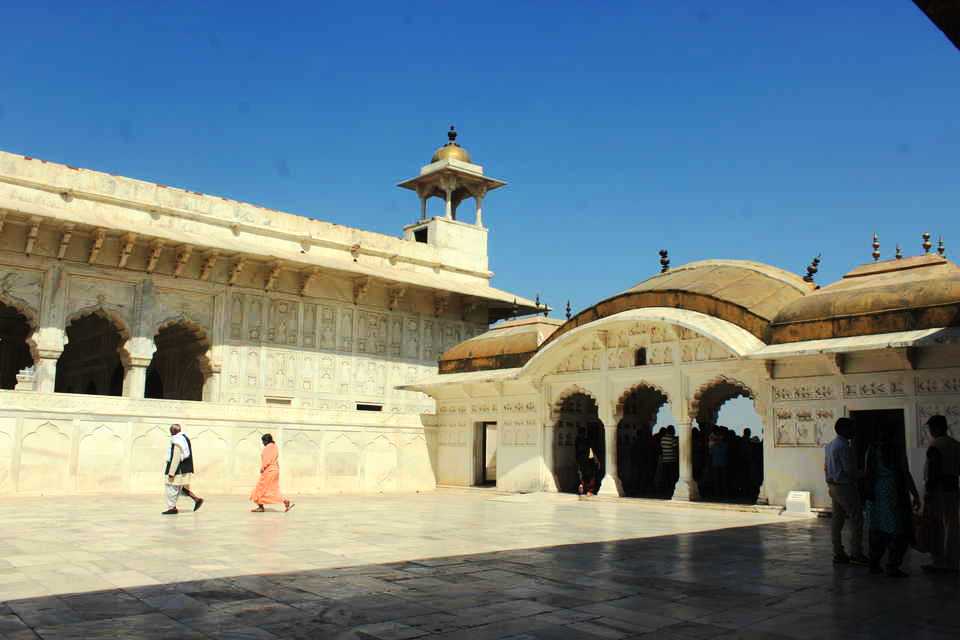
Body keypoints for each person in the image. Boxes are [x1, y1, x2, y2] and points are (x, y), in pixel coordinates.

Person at [864, 424, 919, 577]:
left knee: (876, 530)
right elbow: (905, 473)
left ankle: (874, 563)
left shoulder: (872, 450)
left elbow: (868, 472)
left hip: (876, 492)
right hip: (893, 492)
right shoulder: (896, 450)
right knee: (898, 531)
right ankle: (892, 565)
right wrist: (914, 494)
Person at [824, 417, 868, 565]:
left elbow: (826, 467)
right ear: (843, 430)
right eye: (851, 428)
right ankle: (856, 553)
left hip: (833, 485)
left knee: (837, 520)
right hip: (845, 486)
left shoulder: (830, 445)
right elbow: (849, 471)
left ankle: (838, 552)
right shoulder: (844, 447)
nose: (854, 431)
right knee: (856, 519)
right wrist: (865, 473)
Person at [922, 415, 959, 574]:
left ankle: (939, 561)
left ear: (936, 428)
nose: (930, 431)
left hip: (939, 490)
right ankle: (952, 560)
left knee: (937, 525)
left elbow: (933, 472)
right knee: (952, 524)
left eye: (930, 428)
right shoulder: (955, 444)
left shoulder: (936, 446)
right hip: (952, 488)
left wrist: (929, 492)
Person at [162, 424, 203, 515]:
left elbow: (176, 457)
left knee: (171, 487)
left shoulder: (177, 440)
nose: (171, 433)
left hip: (178, 470)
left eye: (171, 431)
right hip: (184, 469)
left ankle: (172, 508)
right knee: (181, 488)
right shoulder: (184, 438)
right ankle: (196, 499)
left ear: (173, 431)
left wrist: (171, 472)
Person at [250, 434, 295, 512]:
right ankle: (284, 501)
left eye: (263, 441)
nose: (262, 443)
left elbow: (267, 460)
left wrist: (262, 468)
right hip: (275, 470)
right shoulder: (275, 447)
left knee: (259, 489)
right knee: (272, 490)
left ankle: (261, 507)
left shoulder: (267, 448)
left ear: (266, 441)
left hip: (269, 470)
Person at [655, 426, 678, 497]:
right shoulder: (672, 439)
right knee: (672, 476)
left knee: (665, 476)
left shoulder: (662, 439)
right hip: (671, 460)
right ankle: (671, 489)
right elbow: (675, 447)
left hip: (664, 460)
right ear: (671, 431)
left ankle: (665, 489)